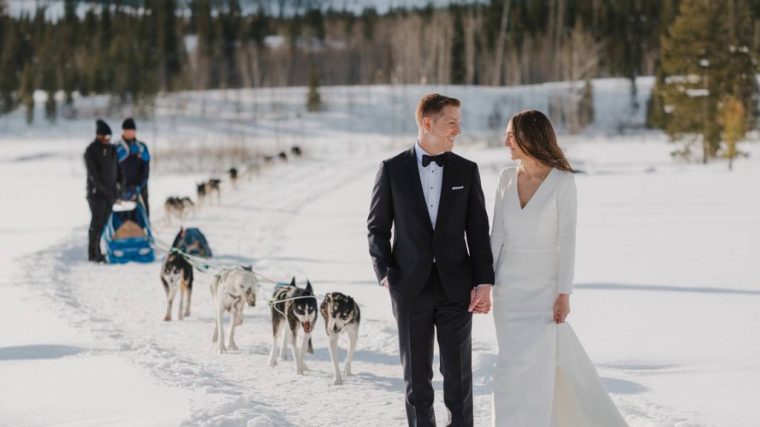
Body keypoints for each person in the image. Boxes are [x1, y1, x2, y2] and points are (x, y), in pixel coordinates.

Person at [490, 110, 627, 426]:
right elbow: (496, 235)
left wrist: (564, 293)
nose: (505, 141)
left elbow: (567, 242)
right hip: (507, 293)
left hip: (544, 292)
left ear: (529, 137)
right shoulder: (505, 179)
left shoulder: (563, 182)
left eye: (511, 134)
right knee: (509, 369)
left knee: (538, 371)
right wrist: (484, 283)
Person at [367, 93, 494, 427]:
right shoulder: (392, 170)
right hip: (409, 288)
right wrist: (385, 274)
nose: (457, 131)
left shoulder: (467, 171)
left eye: (459, 124)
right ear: (428, 122)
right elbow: (377, 228)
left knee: (459, 380)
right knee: (416, 382)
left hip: (457, 289)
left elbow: (478, 230)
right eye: (452, 123)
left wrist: (484, 283)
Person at [84, 119, 122, 263]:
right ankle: (93, 253)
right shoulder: (91, 150)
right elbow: (94, 176)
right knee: (96, 223)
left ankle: (99, 252)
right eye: (105, 137)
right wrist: (106, 190)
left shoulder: (112, 149)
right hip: (96, 194)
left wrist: (119, 186)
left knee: (104, 223)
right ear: (99, 135)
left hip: (111, 195)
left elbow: (119, 170)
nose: (107, 140)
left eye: (109, 137)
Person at [116, 117, 151, 217]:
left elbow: (146, 169)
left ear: (135, 131)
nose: (129, 133)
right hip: (121, 186)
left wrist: (139, 186)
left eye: (131, 130)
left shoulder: (141, 147)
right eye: (126, 130)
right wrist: (118, 185)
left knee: (142, 213)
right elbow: (112, 169)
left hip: (139, 186)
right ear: (122, 131)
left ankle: (145, 230)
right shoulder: (116, 147)